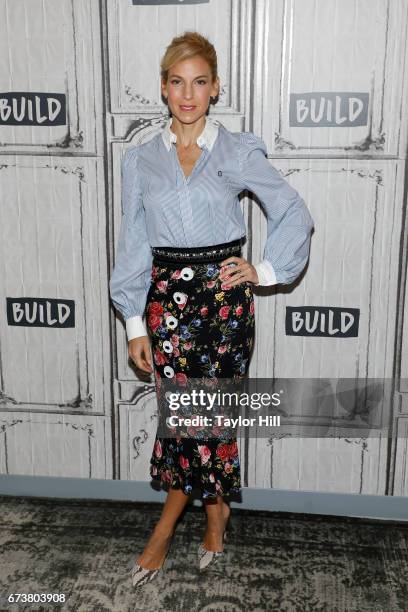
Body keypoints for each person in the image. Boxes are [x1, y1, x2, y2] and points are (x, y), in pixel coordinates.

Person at [109, 31, 314, 588]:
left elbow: (292, 210)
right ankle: (216, 511)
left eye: (200, 81)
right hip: (165, 308)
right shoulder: (141, 159)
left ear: (216, 87)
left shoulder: (236, 150)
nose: (188, 93)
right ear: (163, 89)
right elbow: (132, 242)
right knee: (183, 421)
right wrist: (133, 322)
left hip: (223, 307)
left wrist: (265, 271)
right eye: (177, 82)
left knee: (203, 418)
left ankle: (165, 528)